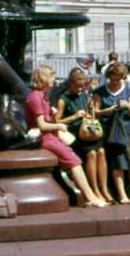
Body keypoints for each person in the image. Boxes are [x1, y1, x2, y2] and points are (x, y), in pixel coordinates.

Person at [25, 65, 107, 208]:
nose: (54, 79)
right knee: (74, 161)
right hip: (45, 138)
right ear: (44, 78)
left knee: (76, 157)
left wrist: (51, 111)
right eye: (51, 76)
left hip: (50, 136)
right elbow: (41, 126)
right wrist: (59, 126)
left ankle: (91, 195)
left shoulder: (40, 96)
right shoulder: (36, 97)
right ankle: (90, 197)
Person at [55, 68, 113, 204]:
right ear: (71, 83)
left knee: (101, 152)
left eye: (83, 86)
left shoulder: (84, 95)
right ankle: (94, 190)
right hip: (76, 135)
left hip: (89, 132)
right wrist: (74, 116)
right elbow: (57, 121)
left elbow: (90, 112)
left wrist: (90, 110)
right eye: (78, 86)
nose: (81, 89)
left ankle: (104, 189)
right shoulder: (63, 99)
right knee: (92, 154)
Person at [93, 63, 130, 204]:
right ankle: (122, 194)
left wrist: (127, 105)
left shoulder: (129, 91)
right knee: (118, 162)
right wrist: (108, 110)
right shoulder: (100, 91)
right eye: (112, 79)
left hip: (128, 130)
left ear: (123, 78)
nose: (115, 82)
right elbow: (95, 113)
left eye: (118, 79)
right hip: (112, 131)